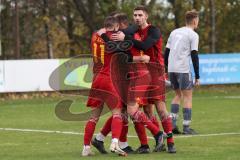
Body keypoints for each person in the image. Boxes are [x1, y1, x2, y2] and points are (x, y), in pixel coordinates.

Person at [111, 5, 176, 153]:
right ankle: (147, 144)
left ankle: (170, 142)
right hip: (141, 72)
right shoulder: (134, 30)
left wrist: (125, 37)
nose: (137, 17)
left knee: (160, 108)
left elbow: (145, 45)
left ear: (146, 16)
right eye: (135, 15)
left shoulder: (154, 30)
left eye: (140, 15)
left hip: (156, 72)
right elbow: (121, 32)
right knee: (143, 109)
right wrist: (112, 32)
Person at [82, 16, 127, 157]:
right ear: (114, 27)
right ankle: (115, 143)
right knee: (117, 113)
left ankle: (86, 148)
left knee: (94, 116)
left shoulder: (95, 35)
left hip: (97, 78)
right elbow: (120, 51)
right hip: (109, 78)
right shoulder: (112, 37)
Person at [164, 10, 200, 135]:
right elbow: (194, 55)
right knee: (188, 96)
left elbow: (166, 52)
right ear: (195, 21)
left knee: (178, 95)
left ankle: (173, 125)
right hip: (183, 69)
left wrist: (166, 69)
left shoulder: (174, 32)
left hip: (171, 69)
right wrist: (197, 76)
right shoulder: (193, 35)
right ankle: (186, 127)